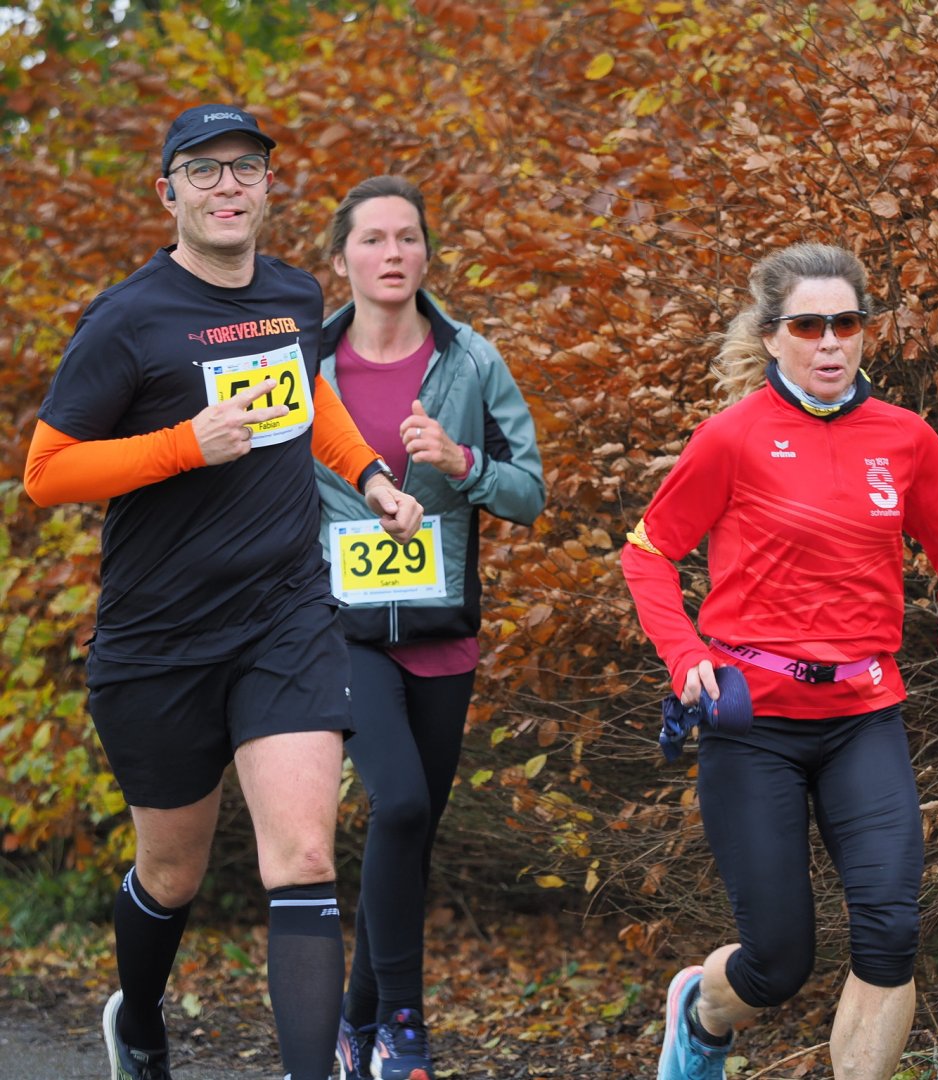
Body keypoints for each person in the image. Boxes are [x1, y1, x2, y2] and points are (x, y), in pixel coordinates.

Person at [23, 104, 423, 1080]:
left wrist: (370, 477)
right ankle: (140, 1022)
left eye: (245, 167)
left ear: (269, 187)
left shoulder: (292, 293)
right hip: (159, 638)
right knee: (173, 872)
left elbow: (308, 395)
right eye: (203, 171)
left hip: (284, 617)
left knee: (305, 861)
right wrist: (182, 445)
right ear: (169, 193)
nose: (228, 185)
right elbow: (46, 473)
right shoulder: (128, 319)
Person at [621, 242, 938, 1080]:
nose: (830, 341)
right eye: (808, 326)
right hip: (753, 725)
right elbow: (647, 553)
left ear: (864, 331)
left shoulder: (904, 439)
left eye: (846, 323)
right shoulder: (732, 438)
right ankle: (701, 1013)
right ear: (771, 336)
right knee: (778, 963)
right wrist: (684, 654)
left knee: (891, 933)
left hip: (863, 717)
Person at [314, 175, 545, 1080]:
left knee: (410, 834)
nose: (392, 253)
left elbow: (529, 492)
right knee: (400, 804)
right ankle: (404, 1026)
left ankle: (354, 1024)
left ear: (426, 254)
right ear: (342, 258)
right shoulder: (305, 366)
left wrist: (462, 462)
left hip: (443, 636)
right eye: (372, 239)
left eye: (407, 237)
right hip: (341, 631)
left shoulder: (471, 361)